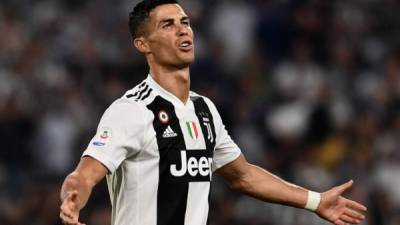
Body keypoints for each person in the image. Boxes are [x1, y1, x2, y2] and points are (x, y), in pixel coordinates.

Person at [59, 1, 367, 225]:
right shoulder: (132, 110)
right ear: (143, 44)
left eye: (185, 22)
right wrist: (73, 199)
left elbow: (243, 176)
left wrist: (314, 201)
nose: (183, 30)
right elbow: (85, 174)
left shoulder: (204, 110)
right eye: (168, 25)